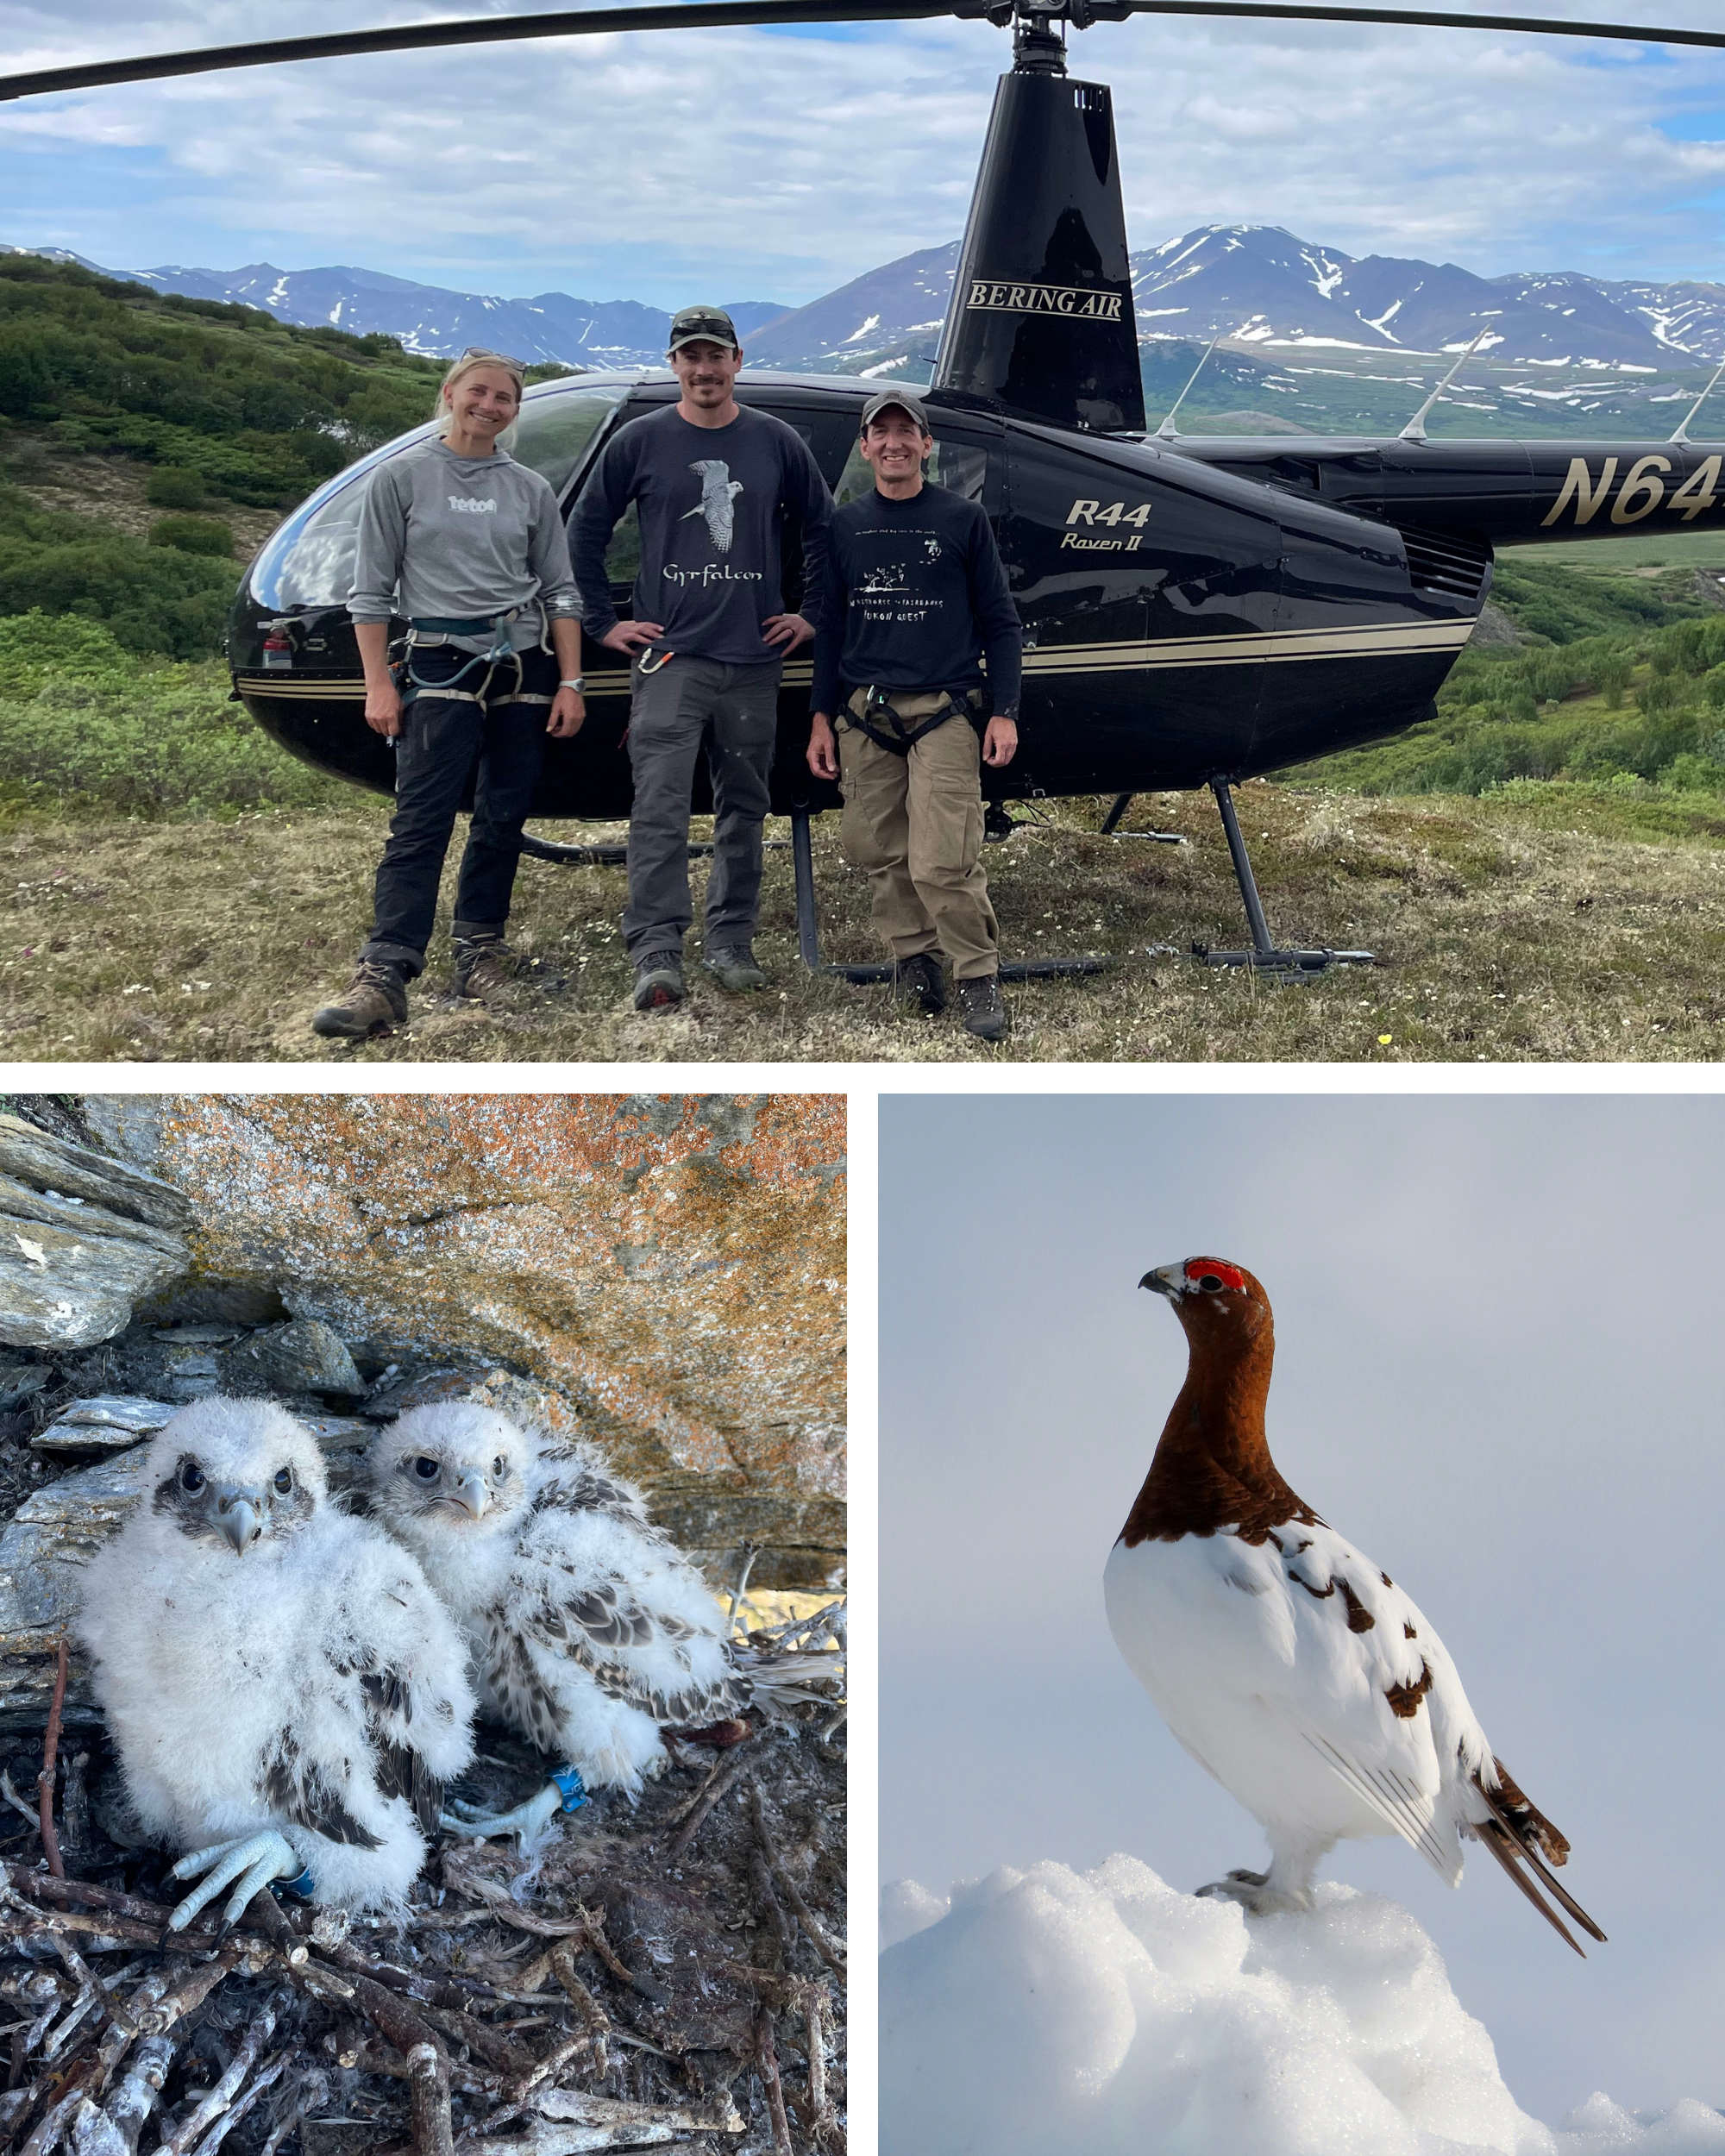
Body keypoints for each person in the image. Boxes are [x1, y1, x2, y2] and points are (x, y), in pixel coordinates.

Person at [311, 348, 586, 1040]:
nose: (490, 406)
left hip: (523, 668)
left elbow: (560, 591)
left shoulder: (529, 489)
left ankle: (479, 953)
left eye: (504, 399)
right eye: (480, 393)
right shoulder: (401, 479)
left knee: (502, 816)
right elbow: (370, 593)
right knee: (421, 821)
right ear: (450, 394)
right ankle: (386, 972)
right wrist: (377, 683)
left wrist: (573, 681)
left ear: (514, 411)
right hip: (437, 663)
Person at [568, 305, 832, 1011]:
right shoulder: (642, 440)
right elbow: (584, 531)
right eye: (691, 357)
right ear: (674, 364)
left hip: (752, 659)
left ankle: (731, 940)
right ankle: (656, 950)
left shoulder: (776, 443)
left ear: (737, 362)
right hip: (669, 661)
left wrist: (812, 615)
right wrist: (602, 622)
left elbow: (823, 531)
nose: (704, 369)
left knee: (744, 805)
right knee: (658, 805)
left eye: (716, 356)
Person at [806, 388, 1021, 1043]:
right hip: (864, 712)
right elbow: (830, 631)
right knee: (881, 849)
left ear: (927, 445)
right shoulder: (844, 526)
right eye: (882, 433)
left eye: (908, 432)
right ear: (865, 447)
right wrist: (820, 717)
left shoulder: (961, 520)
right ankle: (914, 959)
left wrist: (1005, 711)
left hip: (946, 711)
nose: (894, 443)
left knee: (942, 858)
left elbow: (1001, 624)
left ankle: (976, 973)